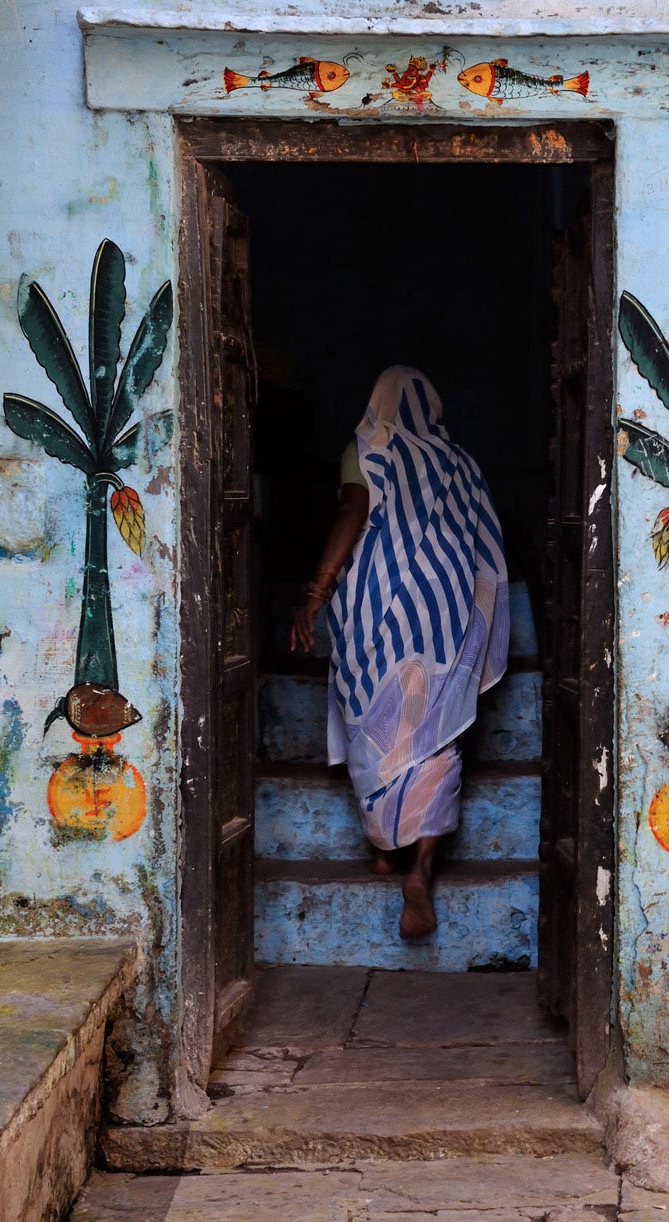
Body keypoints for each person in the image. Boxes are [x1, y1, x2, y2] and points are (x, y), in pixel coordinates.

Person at [289, 366, 510, 939]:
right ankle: (420, 869)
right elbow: (484, 543)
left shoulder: (368, 448)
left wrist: (315, 593)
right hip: (447, 612)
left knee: (373, 720)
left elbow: (351, 512)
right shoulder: (462, 464)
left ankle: (384, 850)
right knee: (437, 735)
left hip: (373, 606)